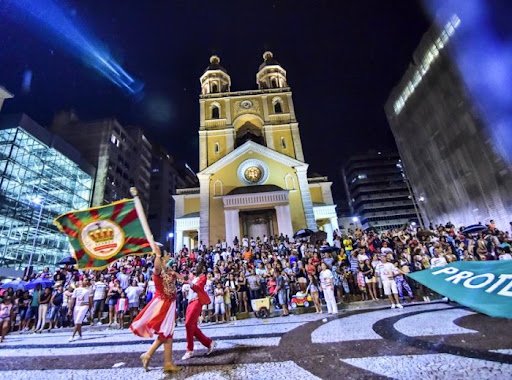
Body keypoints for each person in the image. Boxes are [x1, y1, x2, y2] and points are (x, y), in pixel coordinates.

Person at [130, 245, 180, 373]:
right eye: (165, 259)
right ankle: (149, 354)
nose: (168, 260)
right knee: (166, 331)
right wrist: (158, 256)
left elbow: (181, 277)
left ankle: (167, 362)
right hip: (163, 304)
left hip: (170, 303)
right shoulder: (158, 274)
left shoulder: (169, 272)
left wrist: (172, 270)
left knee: (168, 333)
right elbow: (157, 267)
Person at [182, 260, 216, 361]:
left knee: (188, 324)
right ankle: (209, 343)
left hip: (197, 301)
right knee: (192, 326)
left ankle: (189, 350)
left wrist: (189, 282)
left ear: (202, 268)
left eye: (197, 266)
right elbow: (187, 282)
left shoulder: (203, 278)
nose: (195, 267)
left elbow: (198, 288)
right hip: (190, 301)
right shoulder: (194, 277)